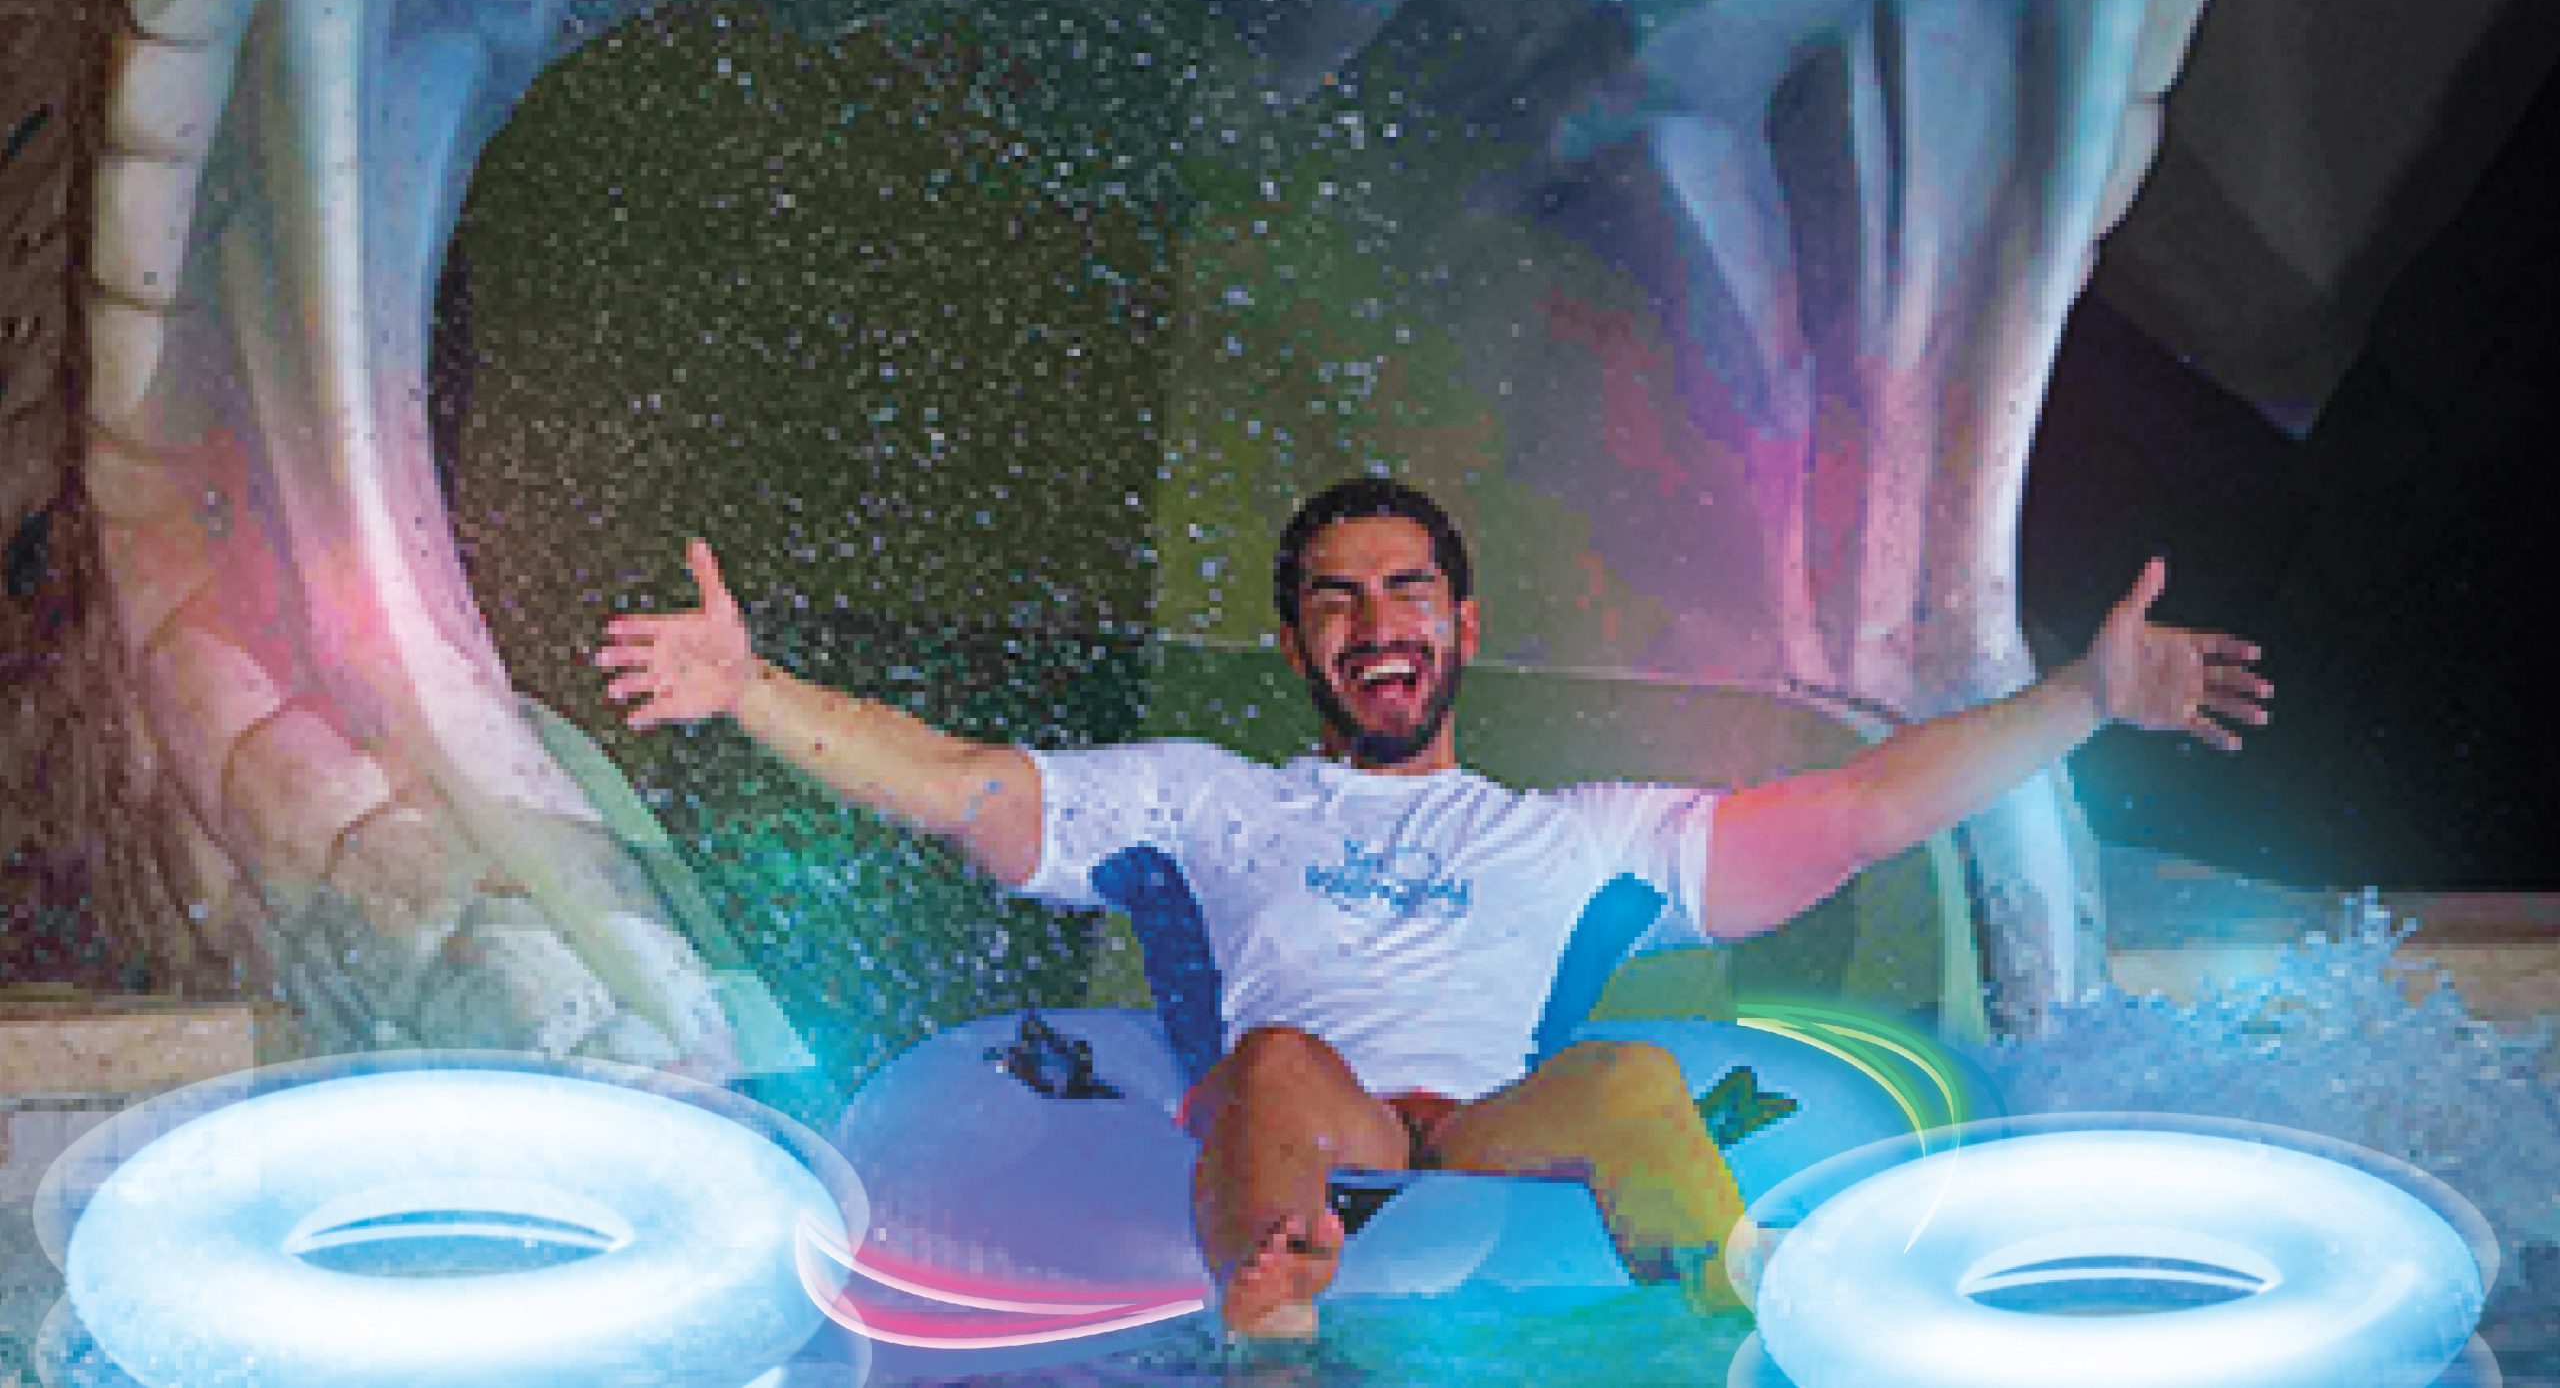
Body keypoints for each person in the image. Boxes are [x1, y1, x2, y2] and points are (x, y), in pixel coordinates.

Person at [593, 477, 2269, 1339]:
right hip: (1305, 1125)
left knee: (1634, 1080)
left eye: (1406, 590)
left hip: (1484, 1134)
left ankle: (1736, 1320)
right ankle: (1271, 1339)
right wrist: (749, 690)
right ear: (1298, 646)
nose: (1375, 621)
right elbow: (962, 783)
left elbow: (1862, 810)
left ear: (1460, 624)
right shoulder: (1200, 797)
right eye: (1335, 602)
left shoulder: (1582, 836)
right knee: (1274, 1064)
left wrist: (2087, 700)